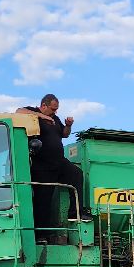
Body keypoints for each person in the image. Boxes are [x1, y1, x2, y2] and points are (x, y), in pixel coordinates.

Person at [27, 94, 90, 228]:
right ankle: (41, 234)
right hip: (42, 165)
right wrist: (43, 116)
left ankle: (75, 213)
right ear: (43, 105)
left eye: (56, 110)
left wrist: (68, 125)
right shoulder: (33, 113)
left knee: (77, 174)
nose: (55, 112)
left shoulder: (55, 118)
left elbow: (65, 134)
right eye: (53, 109)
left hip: (59, 161)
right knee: (43, 200)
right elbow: (18, 111)